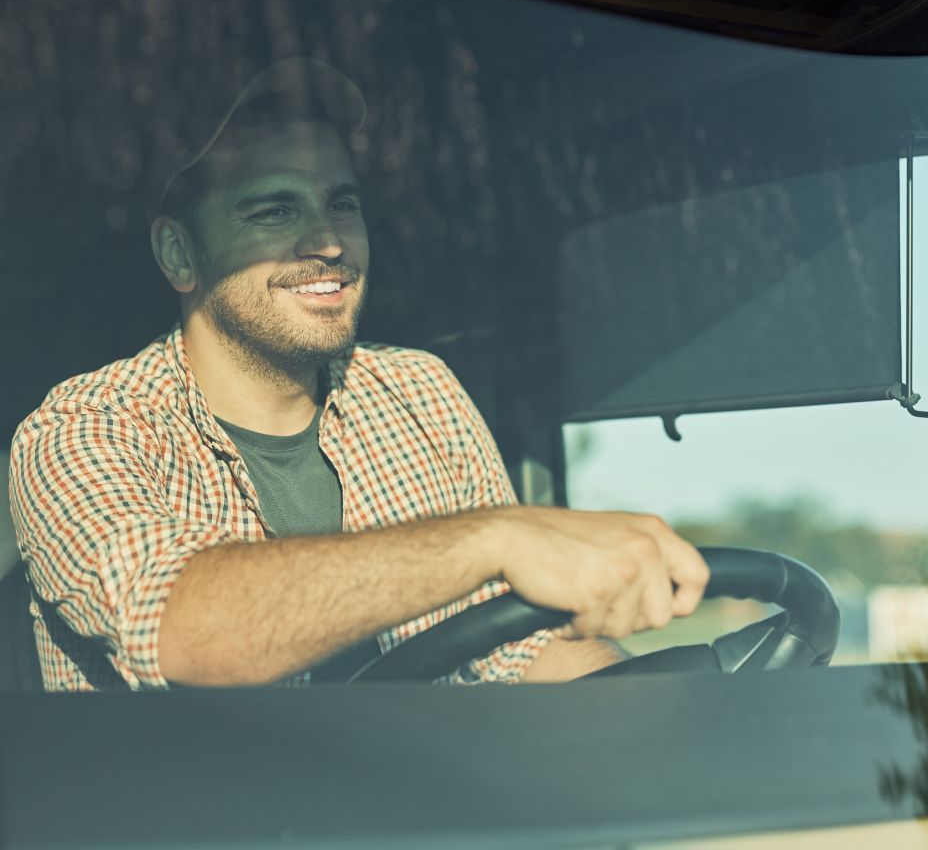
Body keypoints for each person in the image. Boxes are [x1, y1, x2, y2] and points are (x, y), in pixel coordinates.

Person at [8, 59, 709, 691]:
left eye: (342, 203)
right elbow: (176, 630)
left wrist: (668, 722)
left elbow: (517, 655)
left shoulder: (420, 393)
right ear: (179, 254)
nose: (330, 242)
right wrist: (495, 537)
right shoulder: (81, 429)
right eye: (275, 208)